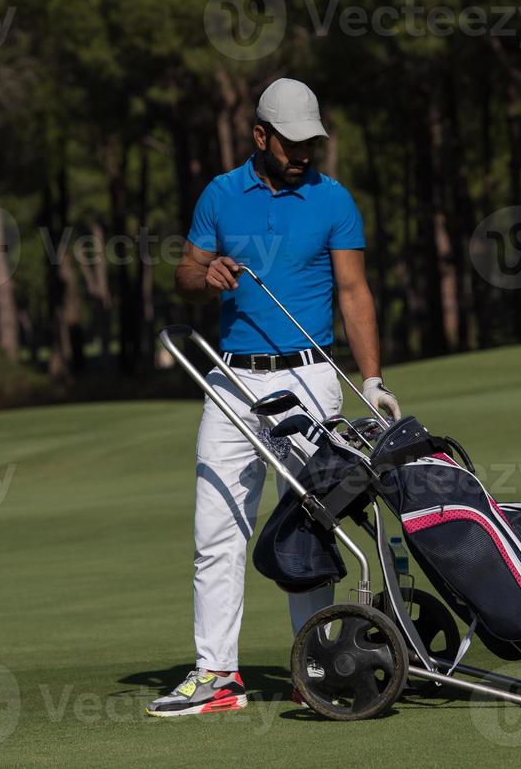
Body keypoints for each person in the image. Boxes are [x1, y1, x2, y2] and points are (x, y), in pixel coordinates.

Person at [146, 77, 399, 717]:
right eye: (292, 143)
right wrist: (205, 277)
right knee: (217, 529)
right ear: (260, 136)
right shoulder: (220, 194)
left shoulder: (334, 199)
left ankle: (313, 667)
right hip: (232, 380)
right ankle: (217, 677)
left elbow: (354, 292)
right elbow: (183, 273)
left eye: (311, 141)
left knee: (308, 529)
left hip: (309, 378)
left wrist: (372, 379)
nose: (304, 154)